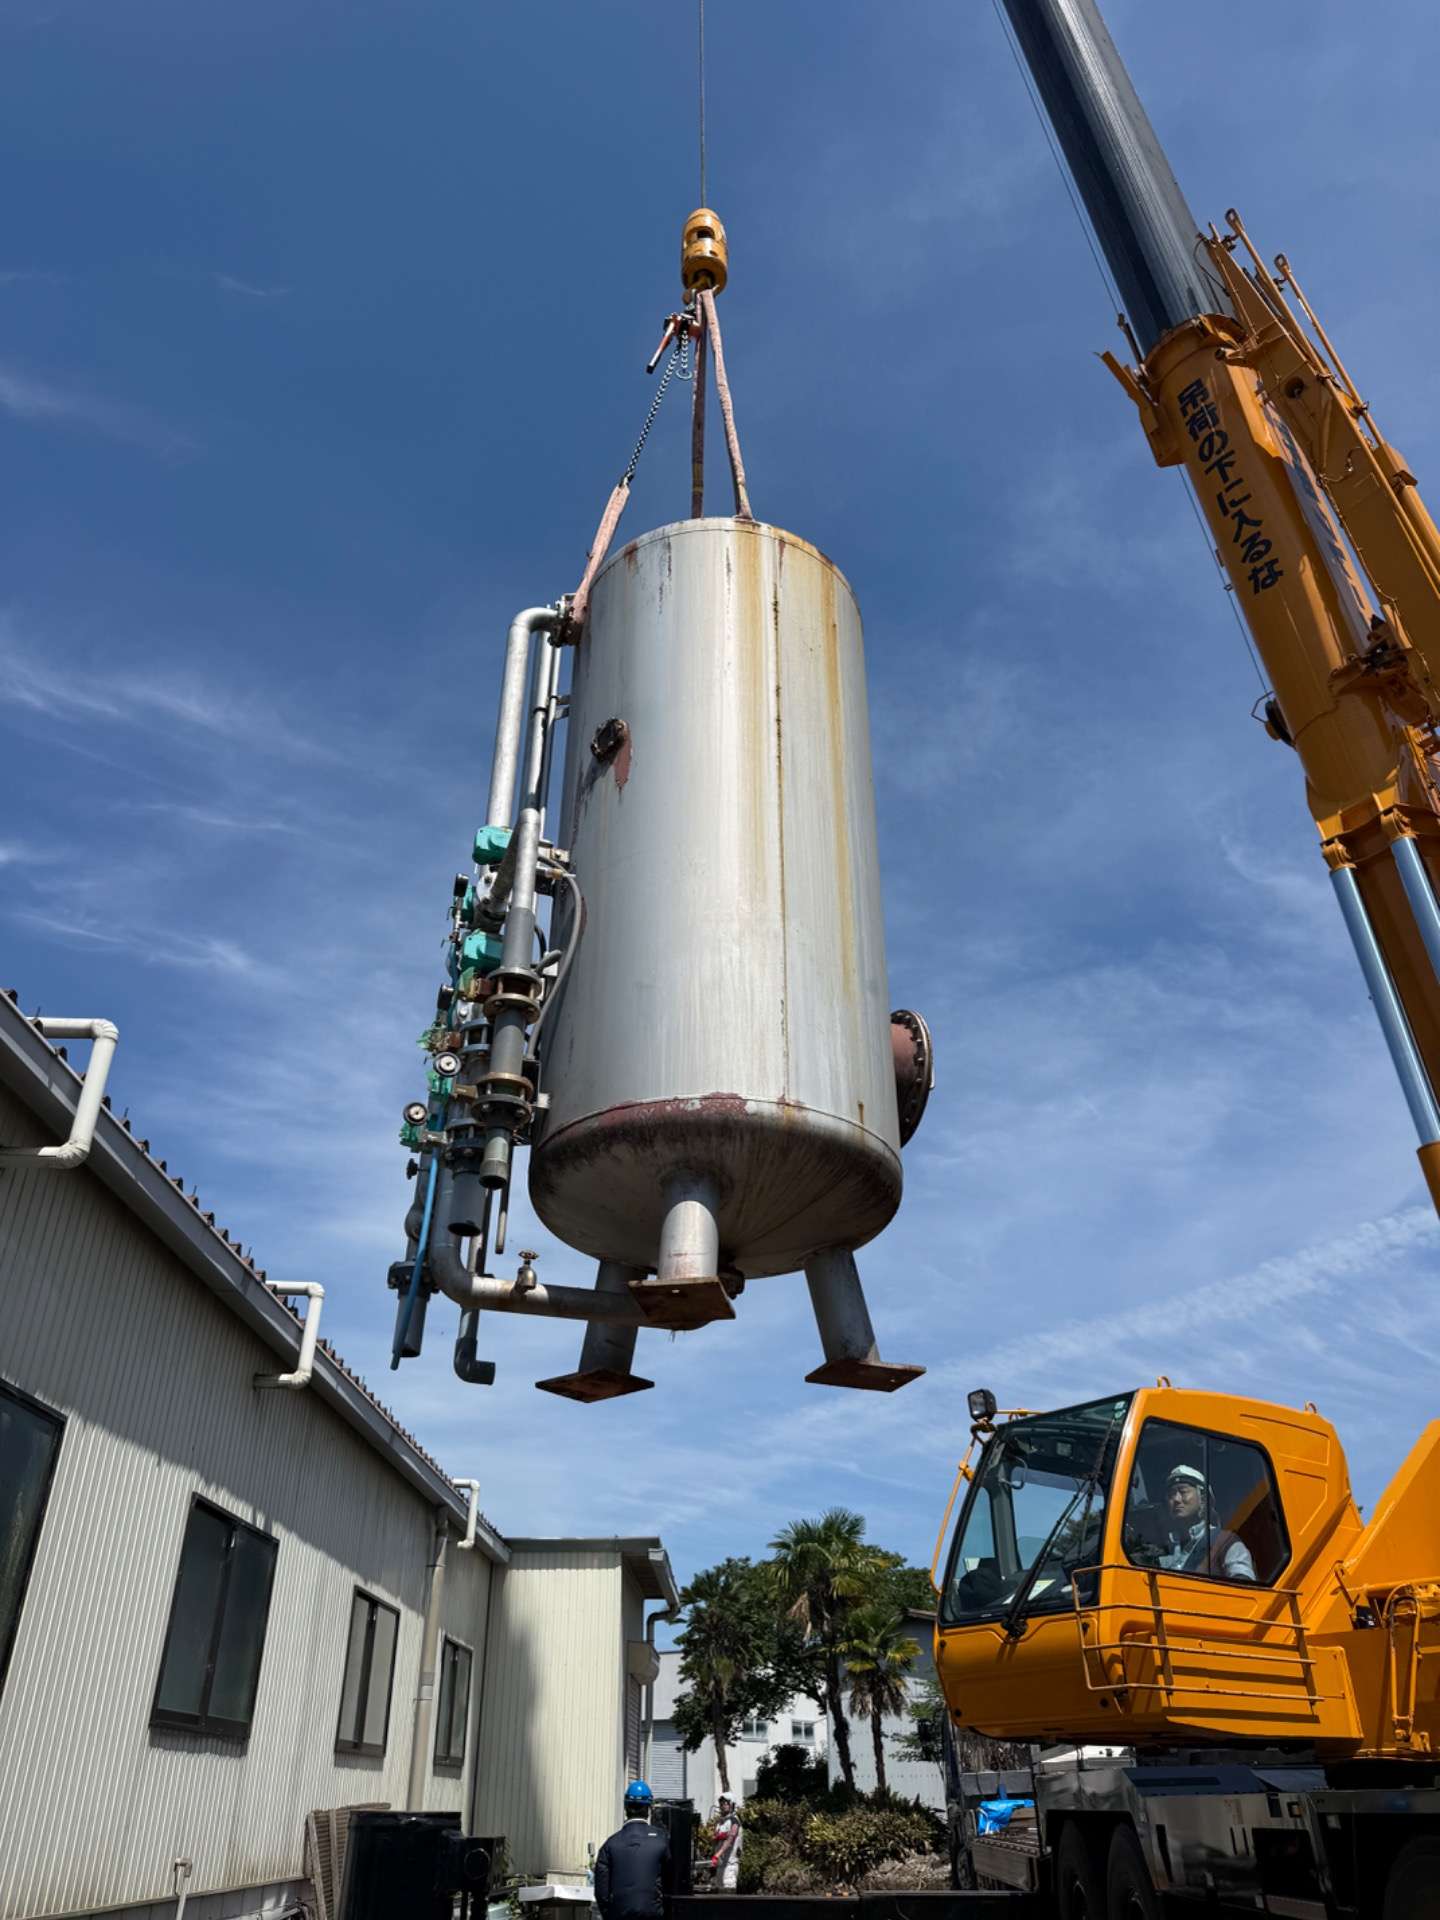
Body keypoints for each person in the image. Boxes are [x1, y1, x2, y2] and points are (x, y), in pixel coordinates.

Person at [1158, 1464, 1256, 1581]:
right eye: (1171, 1494)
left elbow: (1243, 1582)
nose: (1176, 1499)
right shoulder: (1162, 1546)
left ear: (1203, 1499)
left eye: (1183, 1492)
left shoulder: (1225, 1542)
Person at [595, 1781, 669, 1920]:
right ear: (648, 1809)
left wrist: (610, 1915)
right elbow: (670, 1881)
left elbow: (601, 1892)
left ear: (626, 1807)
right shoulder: (661, 1839)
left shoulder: (610, 1844)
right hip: (652, 1914)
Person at [710, 1793, 743, 1890]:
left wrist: (717, 1855)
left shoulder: (734, 1821)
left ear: (732, 1804)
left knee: (728, 1891)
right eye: (721, 1803)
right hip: (720, 1864)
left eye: (725, 1803)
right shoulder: (720, 1822)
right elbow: (716, 1840)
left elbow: (730, 1840)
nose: (723, 1806)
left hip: (730, 1864)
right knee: (719, 1891)